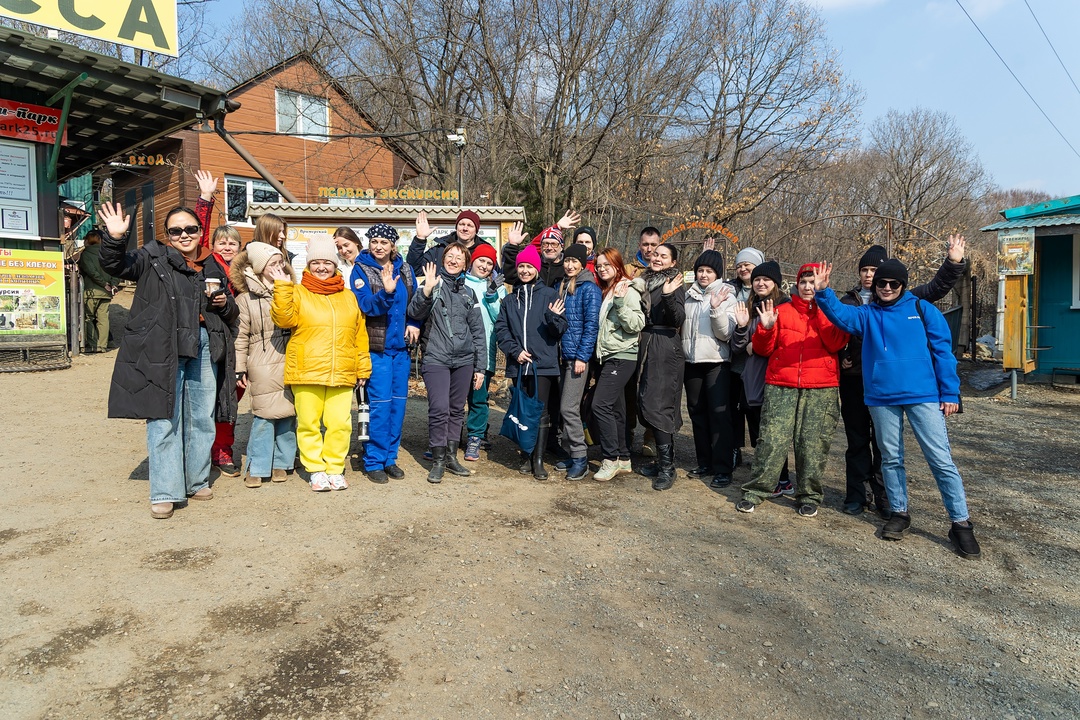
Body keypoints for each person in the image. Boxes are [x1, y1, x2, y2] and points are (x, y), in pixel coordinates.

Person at [813, 259, 981, 558]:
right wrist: (824, 291)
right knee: (891, 458)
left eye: (894, 284)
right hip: (881, 397)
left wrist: (951, 392)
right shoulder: (866, 314)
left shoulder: (923, 309)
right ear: (874, 286)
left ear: (903, 285)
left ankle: (960, 523)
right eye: (882, 283)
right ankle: (899, 513)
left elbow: (944, 353)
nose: (887, 288)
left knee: (940, 460)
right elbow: (841, 316)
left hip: (924, 395)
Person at [98, 202, 238, 519]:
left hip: (204, 343)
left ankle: (196, 479)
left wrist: (222, 302)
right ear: (167, 235)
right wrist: (115, 238)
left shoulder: (212, 265)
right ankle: (165, 490)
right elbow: (115, 265)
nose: (184, 235)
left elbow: (231, 311)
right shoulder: (152, 257)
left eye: (190, 229)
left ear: (200, 232)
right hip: (164, 345)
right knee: (163, 418)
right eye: (176, 230)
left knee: (202, 417)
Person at [836, 237, 968, 517]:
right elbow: (834, 327)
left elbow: (937, 289)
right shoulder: (851, 301)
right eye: (867, 271)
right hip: (861, 383)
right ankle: (860, 497)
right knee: (860, 443)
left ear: (899, 283)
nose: (876, 280)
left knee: (900, 452)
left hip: (908, 388)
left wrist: (953, 262)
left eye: (881, 274)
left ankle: (893, 501)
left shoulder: (915, 304)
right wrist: (840, 358)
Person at [736, 263, 848, 517]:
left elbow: (834, 342)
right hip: (780, 384)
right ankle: (756, 490)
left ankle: (809, 495)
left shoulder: (834, 312)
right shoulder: (781, 310)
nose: (809, 287)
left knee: (812, 445)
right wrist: (765, 328)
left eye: (814, 282)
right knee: (771, 441)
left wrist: (822, 306)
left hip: (821, 388)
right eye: (805, 282)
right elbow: (764, 350)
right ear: (796, 285)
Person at [270, 238, 371, 492]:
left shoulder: (348, 297)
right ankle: (315, 469)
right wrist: (282, 287)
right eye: (316, 262)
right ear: (309, 265)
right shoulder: (297, 292)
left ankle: (335, 468)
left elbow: (359, 335)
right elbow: (283, 319)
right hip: (307, 370)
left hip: (342, 370)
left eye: (327, 262)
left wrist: (362, 368)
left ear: (335, 265)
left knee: (340, 423)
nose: (322, 267)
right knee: (308, 423)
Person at [408, 243, 486, 483]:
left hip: (464, 360)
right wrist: (426, 291)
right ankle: (438, 459)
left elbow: (478, 331)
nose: (453, 260)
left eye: (459, 258)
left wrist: (480, 366)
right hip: (436, 357)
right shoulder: (431, 285)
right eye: (449, 256)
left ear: (465, 264)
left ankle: (452, 457)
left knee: (455, 409)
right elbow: (413, 313)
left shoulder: (468, 293)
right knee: (439, 408)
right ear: (443, 260)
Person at [351, 223, 419, 484]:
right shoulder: (362, 269)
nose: (378, 246)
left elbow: (414, 303)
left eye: (384, 242)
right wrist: (387, 293)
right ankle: (374, 460)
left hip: (401, 350)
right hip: (376, 350)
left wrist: (415, 322)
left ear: (393, 246)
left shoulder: (405, 268)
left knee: (398, 406)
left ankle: (390, 458)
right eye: (374, 241)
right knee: (379, 407)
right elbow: (366, 305)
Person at [495, 245, 568, 479]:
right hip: (519, 364)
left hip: (543, 365)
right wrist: (515, 351)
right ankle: (526, 454)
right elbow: (501, 330)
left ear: (537, 269)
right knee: (523, 411)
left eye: (529, 266)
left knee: (542, 412)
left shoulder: (549, 295)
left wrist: (553, 317)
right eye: (521, 267)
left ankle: (538, 459)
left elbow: (560, 330)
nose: (525, 271)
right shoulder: (509, 300)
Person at [230, 242, 296, 487]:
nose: (279, 267)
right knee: (263, 415)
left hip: (289, 355)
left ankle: (282, 462)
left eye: (281, 262)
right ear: (259, 268)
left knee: (289, 413)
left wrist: (284, 289)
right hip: (261, 358)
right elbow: (240, 336)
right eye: (273, 264)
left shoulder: (291, 289)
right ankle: (257, 465)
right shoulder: (245, 299)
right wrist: (240, 367)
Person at [730, 261, 794, 495]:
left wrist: (754, 346)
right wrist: (740, 328)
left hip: (777, 376)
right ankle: (771, 476)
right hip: (753, 378)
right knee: (758, 430)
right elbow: (738, 346)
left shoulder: (786, 307)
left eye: (766, 279)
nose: (760, 283)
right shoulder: (750, 306)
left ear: (775, 283)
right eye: (757, 279)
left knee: (775, 431)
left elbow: (783, 343)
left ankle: (782, 478)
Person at [681, 249, 738, 489]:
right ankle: (704, 462)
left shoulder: (728, 296)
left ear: (718, 274)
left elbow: (726, 334)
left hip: (716, 363)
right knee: (697, 413)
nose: (704, 275)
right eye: (700, 270)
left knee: (719, 415)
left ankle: (723, 467)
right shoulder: (688, 295)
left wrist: (715, 309)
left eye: (709, 271)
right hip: (691, 362)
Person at [591, 249, 645, 481]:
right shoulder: (609, 288)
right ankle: (623, 458)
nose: (602, 268)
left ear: (617, 264)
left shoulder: (627, 289)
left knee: (599, 405)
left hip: (622, 355)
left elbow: (637, 324)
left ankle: (610, 459)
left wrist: (621, 304)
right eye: (599, 265)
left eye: (607, 264)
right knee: (616, 408)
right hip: (610, 355)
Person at [637, 242, 687, 491]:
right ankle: (661, 461)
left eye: (663, 256)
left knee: (660, 405)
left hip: (665, 347)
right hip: (648, 344)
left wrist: (667, 295)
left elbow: (678, 318)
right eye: (655, 254)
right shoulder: (645, 281)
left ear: (672, 262)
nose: (657, 258)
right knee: (647, 400)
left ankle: (667, 467)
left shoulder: (674, 283)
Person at [554, 243, 601, 480]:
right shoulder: (561, 285)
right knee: (565, 408)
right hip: (562, 356)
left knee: (568, 408)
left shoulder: (589, 288)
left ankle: (581, 458)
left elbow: (591, 325)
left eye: (574, 261)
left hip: (577, 359)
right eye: (567, 261)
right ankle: (571, 453)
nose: (570, 265)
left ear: (582, 263)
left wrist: (583, 357)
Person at [462, 243, 507, 461]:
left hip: (485, 350)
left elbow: (502, 317)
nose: (485, 266)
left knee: (479, 398)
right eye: (481, 260)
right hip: (458, 350)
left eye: (489, 263)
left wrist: (492, 295)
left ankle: (475, 437)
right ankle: (447, 438)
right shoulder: (459, 281)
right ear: (472, 260)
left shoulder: (497, 286)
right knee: (454, 398)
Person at [207, 224, 244, 477]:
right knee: (218, 398)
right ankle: (218, 451)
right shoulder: (210, 265)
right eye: (222, 242)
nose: (227, 246)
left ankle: (220, 448)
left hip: (240, 340)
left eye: (232, 242)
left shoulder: (246, 269)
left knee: (232, 397)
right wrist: (206, 199)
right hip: (215, 338)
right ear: (212, 245)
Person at [728, 246, 765, 469]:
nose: (743, 268)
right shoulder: (730, 288)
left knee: (754, 410)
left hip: (755, 363)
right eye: (740, 265)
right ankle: (734, 450)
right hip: (733, 360)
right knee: (733, 410)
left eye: (747, 265)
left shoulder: (764, 292)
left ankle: (759, 453)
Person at [501, 211, 582, 288]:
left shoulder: (568, 267)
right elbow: (510, 276)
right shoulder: (533, 265)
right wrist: (513, 246)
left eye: (554, 244)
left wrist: (557, 227)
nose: (549, 248)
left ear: (561, 247)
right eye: (545, 244)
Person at [406, 209, 493, 273]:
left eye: (470, 225)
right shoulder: (440, 249)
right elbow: (414, 269)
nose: (465, 228)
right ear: (456, 227)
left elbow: (498, 276)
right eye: (462, 224)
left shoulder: (485, 251)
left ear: (476, 230)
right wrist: (420, 239)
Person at [77, 230, 117, 353]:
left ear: (87, 241)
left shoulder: (85, 254)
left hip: (91, 291)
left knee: (88, 318)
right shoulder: (108, 254)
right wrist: (113, 284)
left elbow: (91, 271)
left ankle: (93, 345)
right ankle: (103, 346)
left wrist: (103, 284)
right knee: (103, 319)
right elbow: (116, 270)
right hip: (106, 293)